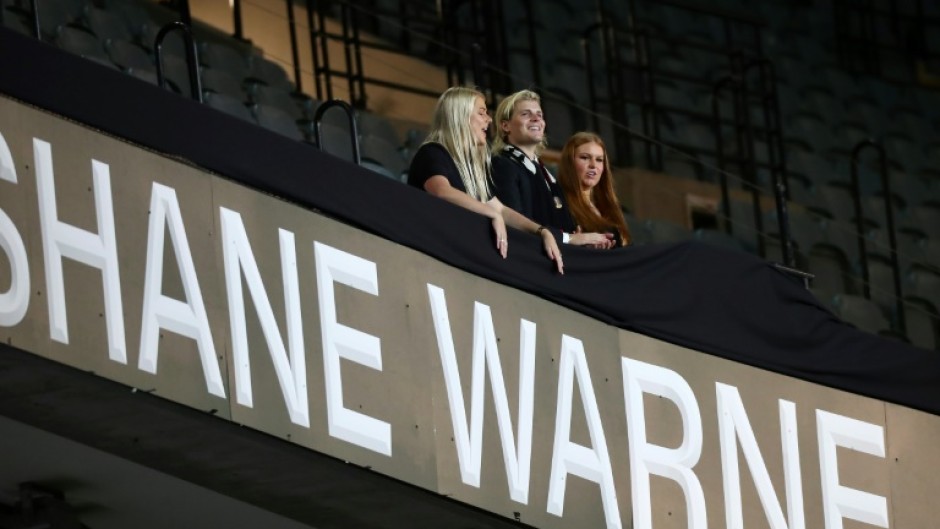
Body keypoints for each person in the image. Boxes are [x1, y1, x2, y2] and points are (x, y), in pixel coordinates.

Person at [407, 86, 564, 273]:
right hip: (428, 258)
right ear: (460, 115)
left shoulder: (473, 168)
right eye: (481, 113)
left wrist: (541, 231)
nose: (489, 120)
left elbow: (502, 209)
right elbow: (441, 191)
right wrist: (490, 213)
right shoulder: (432, 152)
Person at [490, 90, 614, 249]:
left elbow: (560, 228)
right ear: (505, 125)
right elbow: (515, 223)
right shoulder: (503, 165)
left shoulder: (544, 171)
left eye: (539, 115)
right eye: (526, 114)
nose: (536, 118)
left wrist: (580, 239)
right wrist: (571, 239)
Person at [557, 132, 632, 247]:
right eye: (585, 158)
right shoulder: (559, 205)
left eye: (599, 160)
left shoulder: (608, 206)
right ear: (569, 163)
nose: (593, 165)